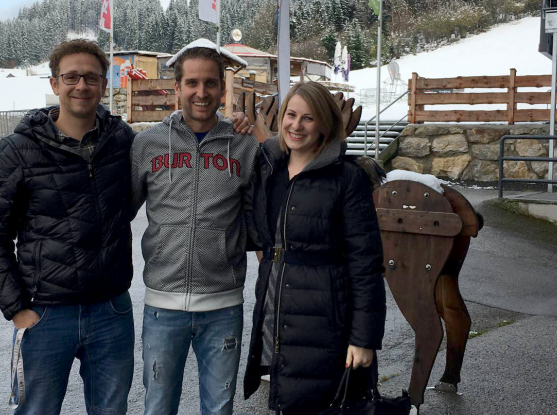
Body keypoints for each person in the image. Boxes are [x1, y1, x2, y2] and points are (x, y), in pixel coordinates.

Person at [0, 39, 135, 415]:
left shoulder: (122, 140)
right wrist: (16, 309)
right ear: (54, 83)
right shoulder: (19, 149)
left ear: (104, 84)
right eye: (71, 77)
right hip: (45, 313)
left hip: (111, 309)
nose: (82, 85)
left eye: (91, 77)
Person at [130, 43, 260, 415]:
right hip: (162, 305)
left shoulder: (244, 145)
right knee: (158, 407)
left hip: (223, 306)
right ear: (177, 87)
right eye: (191, 83)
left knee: (218, 409)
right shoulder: (148, 144)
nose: (201, 92)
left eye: (210, 83)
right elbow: (119, 211)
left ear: (222, 87)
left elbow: (259, 220)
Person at [243, 82, 386, 415]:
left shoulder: (347, 178)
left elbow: (366, 263)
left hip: (326, 321)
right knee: (286, 398)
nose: (296, 125)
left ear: (324, 124)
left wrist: (364, 339)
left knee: (323, 404)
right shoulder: (270, 170)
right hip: (278, 312)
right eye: (291, 115)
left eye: (308, 118)